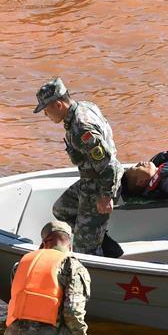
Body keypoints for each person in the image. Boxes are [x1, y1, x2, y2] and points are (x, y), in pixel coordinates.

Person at [34, 78, 124, 257]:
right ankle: (97, 238)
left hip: (100, 185)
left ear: (58, 105)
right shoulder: (85, 107)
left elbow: (109, 164)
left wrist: (106, 196)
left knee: (84, 250)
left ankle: (98, 252)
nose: (45, 115)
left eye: (46, 109)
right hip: (90, 180)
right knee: (61, 209)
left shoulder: (81, 127)